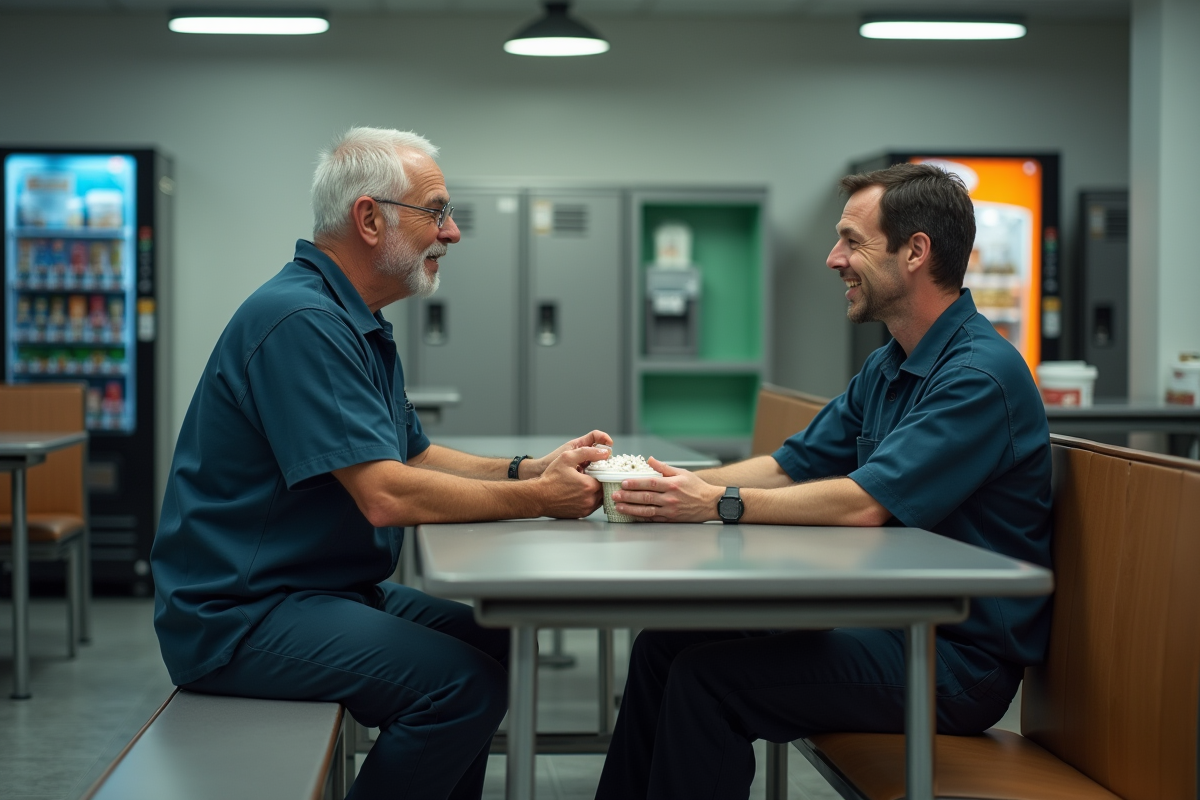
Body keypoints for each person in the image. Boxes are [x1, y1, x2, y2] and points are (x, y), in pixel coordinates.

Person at [151, 127, 612, 800]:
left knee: (499, 644)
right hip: (240, 616)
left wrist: (527, 470)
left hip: (318, 590)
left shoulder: (353, 320)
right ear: (369, 219)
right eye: (437, 212)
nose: (452, 232)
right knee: (460, 686)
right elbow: (385, 496)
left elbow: (414, 455)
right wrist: (541, 499)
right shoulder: (300, 320)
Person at [595, 163, 1053, 799]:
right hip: (885, 622)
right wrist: (662, 484)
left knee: (709, 682)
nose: (834, 259)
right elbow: (790, 465)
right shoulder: (891, 364)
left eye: (852, 241)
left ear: (915, 252)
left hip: (952, 660)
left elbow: (865, 504)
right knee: (663, 647)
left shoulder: (978, 376)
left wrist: (715, 504)